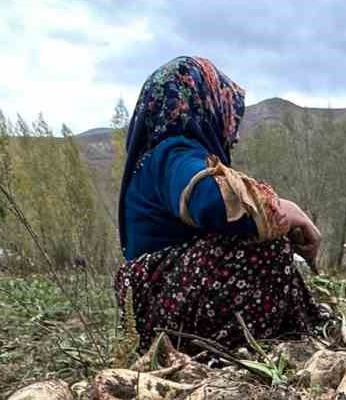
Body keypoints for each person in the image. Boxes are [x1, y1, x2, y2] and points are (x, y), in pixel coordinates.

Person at [117, 56, 323, 353]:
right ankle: (234, 347)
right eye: (229, 118)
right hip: (166, 311)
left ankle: (289, 331)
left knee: (253, 235)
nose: (234, 135)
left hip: (157, 308)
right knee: (261, 246)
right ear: (204, 106)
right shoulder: (174, 154)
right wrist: (283, 210)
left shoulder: (154, 160)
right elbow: (211, 201)